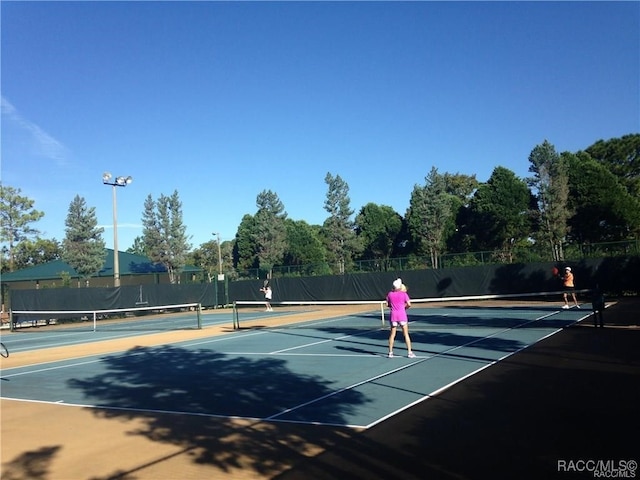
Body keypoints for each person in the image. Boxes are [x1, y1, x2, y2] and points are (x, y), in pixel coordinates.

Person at [386, 278, 415, 358]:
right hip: (402, 315)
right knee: (406, 334)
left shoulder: (390, 294)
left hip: (393, 316)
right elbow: (409, 304)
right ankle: (409, 352)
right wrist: (404, 307)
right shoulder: (404, 294)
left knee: (392, 335)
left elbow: (387, 304)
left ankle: (390, 353)